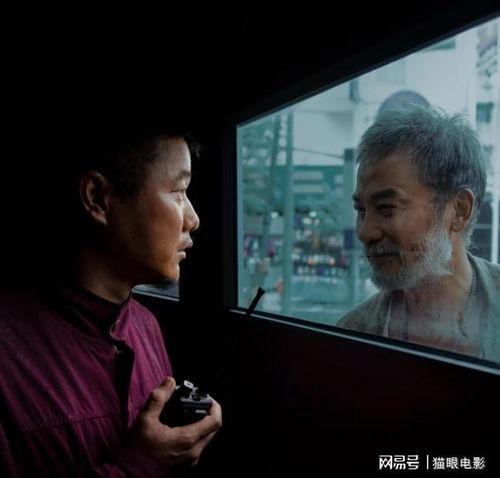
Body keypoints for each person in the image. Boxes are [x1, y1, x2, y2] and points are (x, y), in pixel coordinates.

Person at [0, 121, 223, 476]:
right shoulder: (8, 354)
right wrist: (142, 466)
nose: (193, 219)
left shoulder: (146, 326)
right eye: (179, 191)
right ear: (98, 199)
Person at [338, 106, 500, 361]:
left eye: (386, 207)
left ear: (459, 210)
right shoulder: (353, 333)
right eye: (361, 210)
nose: (364, 232)